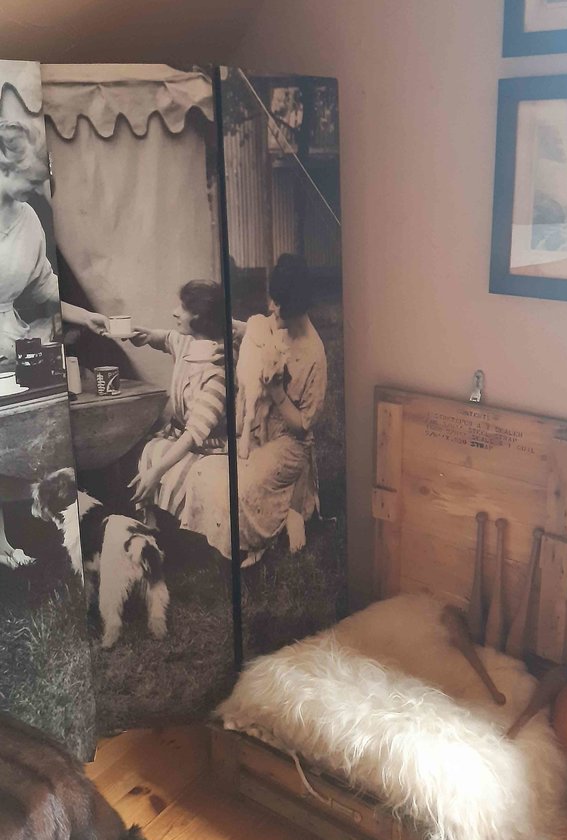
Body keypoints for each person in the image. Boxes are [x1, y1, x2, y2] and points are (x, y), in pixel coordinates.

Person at [0, 120, 107, 568]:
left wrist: (86, 316)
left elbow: (45, 285)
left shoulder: (29, 222)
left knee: (28, 426)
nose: (36, 190)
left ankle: (37, 524)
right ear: (3, 165)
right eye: (30, 180)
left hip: (11, 342)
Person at [183, 253, 327, 565]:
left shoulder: (313, 355)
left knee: (239, 489)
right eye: (272, 301)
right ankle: (276, 513)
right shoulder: (276, 325)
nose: (271, 308)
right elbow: (248, 331)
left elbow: (302, 425)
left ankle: (272, 524)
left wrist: (276, 392)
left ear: (295, 306)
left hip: (289, 443)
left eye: (278, 304)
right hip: (257, 428)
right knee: (207, 471)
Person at [128, 280, 228, 518]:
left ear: (199, 316)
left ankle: (173, 524)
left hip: (208, 445)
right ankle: (152, 522)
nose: (175, 312)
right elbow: (164, 338)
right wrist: (146, 335)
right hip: (178, 435)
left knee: (162, 464)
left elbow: (193, 433)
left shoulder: (218, 371)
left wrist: (156, 472)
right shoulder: (187, 341)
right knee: (148, 449)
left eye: (182, 308)